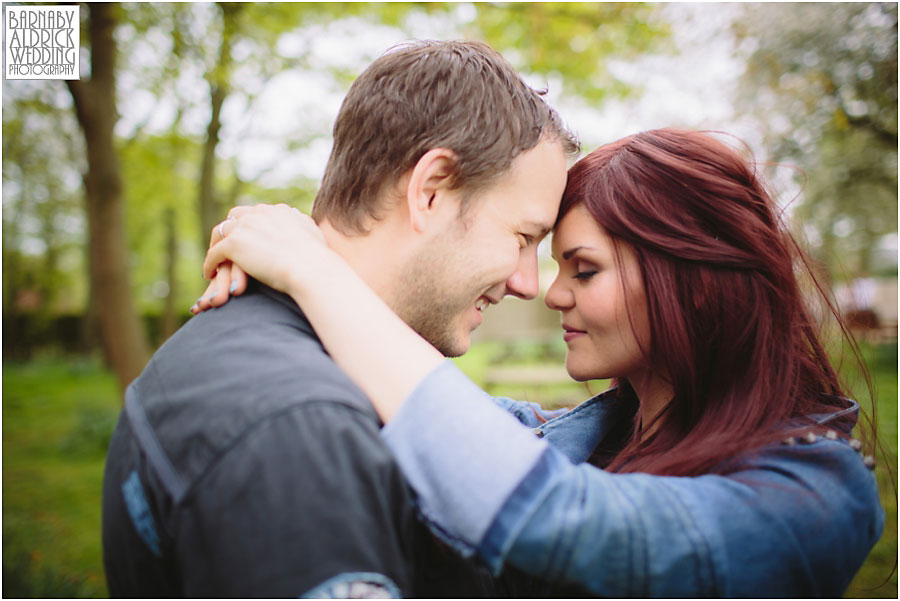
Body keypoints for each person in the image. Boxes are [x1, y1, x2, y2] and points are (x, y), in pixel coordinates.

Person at [202, 128, 885, 597]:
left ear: (694, 279)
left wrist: (316, 273)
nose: (551, 291)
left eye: (583, 270)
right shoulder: (589, 437)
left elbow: (555, 517)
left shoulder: (815, 496)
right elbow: (437, 425)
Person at [101, 39, 579, 597]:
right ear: (430, 191)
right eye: (523, 238)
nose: (527, 284)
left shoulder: (245, 349)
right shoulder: (301, 429)